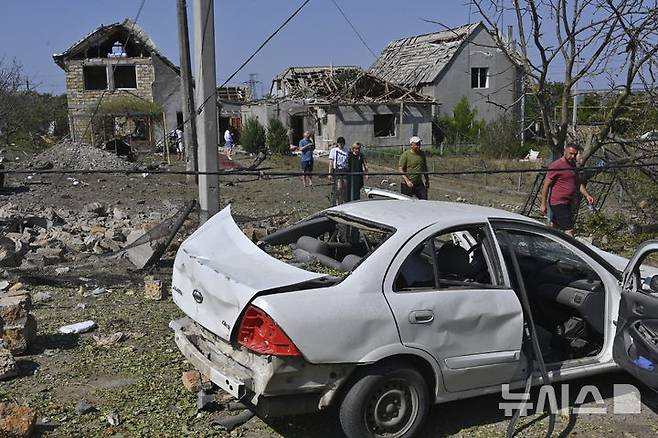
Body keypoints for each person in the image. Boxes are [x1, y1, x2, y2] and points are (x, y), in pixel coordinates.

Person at [540, 143, 595, 236]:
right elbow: (546, 185)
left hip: (568, 202)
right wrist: (543, 204)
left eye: (574, 154)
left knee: (555, 227)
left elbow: (578, 183)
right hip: (558, 202)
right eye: (570, 153)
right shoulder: (556, 165)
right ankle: (571, 249)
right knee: (569, 229)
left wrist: (587, 195)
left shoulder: (573, 165)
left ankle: (547, 243)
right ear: (565, 151)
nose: (572, 156)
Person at [328, 137, 350, 204]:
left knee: (345, 187)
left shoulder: (347, 150)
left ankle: (344, 201)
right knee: (339, 187)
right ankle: (337, 202)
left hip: (345, 170)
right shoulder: (333, 150)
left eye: (342, 144)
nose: (341, 145)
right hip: (337, 170)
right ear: (338, 143)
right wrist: (330, 173)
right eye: (340, 144)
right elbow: (331, 162)